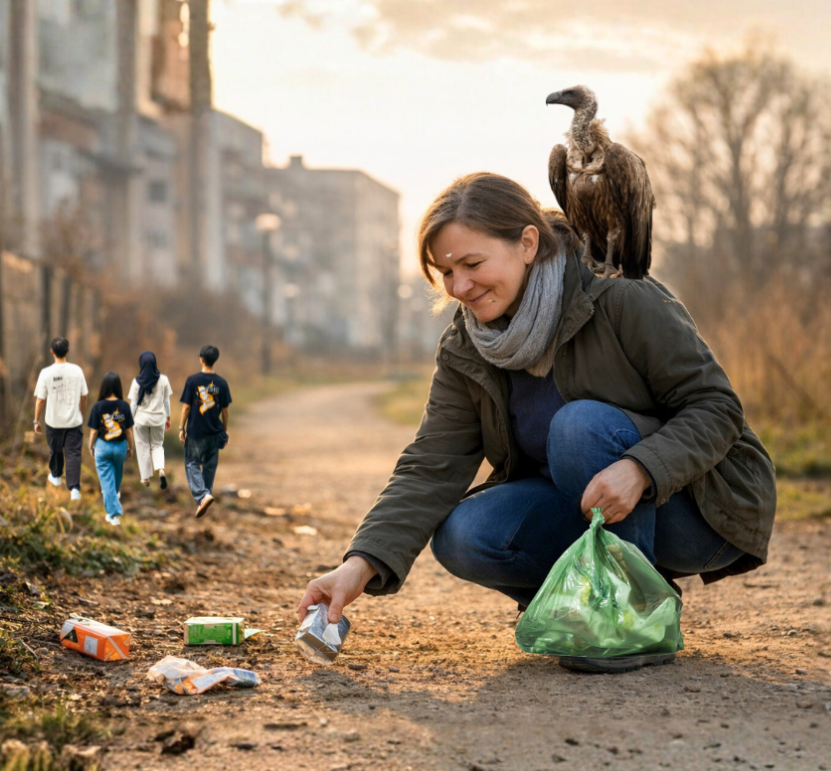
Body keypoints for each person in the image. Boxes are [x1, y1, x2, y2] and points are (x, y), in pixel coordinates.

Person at [298, 172, 777, 672]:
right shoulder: (469, 345)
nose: (460, 287)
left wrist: (640, 469)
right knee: (465, 533)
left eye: (473, 264)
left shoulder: (619, 294)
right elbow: (430, 462)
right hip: (586, 508)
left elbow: (717, 407)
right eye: (446, 272)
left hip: (698, 512)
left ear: (528, 243)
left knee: (579, 427)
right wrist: (360, 564)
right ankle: (576, 604)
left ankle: (631, 619)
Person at [178, 345, 231, 518]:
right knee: (209, 467)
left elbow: (186, 408)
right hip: (214, 433)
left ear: (201, 359)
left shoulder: (192, 381)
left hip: (196, 432)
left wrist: (181, 428)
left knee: (192, 463)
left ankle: (203, 496)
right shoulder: (222, 383)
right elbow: (225, 411)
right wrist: (225, 432)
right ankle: (204, 497)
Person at [33, 337, 89, 501]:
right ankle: (74, 489)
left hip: (53, 421)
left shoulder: (45, 373)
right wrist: (81, 413)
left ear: (52, 352)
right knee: (73, 454)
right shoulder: (77, 370)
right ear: (68, 351)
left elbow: (40, 399)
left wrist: (36, 420)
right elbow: (84, 396)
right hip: (74, 421)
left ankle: (56, 476)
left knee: (55, 450)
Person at [87, 372, 135, 526]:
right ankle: (114, 497)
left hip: (103, 446)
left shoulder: (98, 406)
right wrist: (131, 447)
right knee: (116, 475)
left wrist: (90, 445)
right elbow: (129, 431)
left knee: (107, 481)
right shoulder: (125, 406)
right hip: (120, 447)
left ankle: (113, 514)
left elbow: (94, 431)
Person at [127, 351, 173, 489]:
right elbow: (166, 401)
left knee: (143, 447)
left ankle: (145, 478)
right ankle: (161, 469)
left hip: (140, 420)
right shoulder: (163, 379)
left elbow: (133, 404)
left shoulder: (136, 381)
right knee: (157, 445)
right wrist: (168, 417)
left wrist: (129, 421)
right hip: (158, 419)